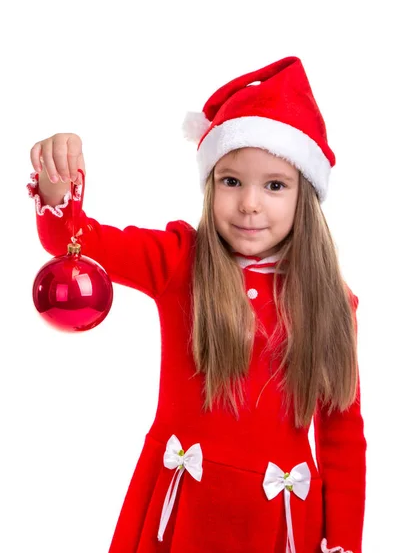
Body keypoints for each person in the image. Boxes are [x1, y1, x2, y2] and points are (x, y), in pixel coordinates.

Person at [27, 56, 367, 553]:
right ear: (210, 184)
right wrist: (59, 187)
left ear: (305, 195)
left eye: (275, 185)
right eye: (232, 181)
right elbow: (76, 241)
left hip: (279, 526)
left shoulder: (332, 303)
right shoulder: (179, 261)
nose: (250, 202)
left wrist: (343, 542)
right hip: (179, 513)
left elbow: (342, 439)